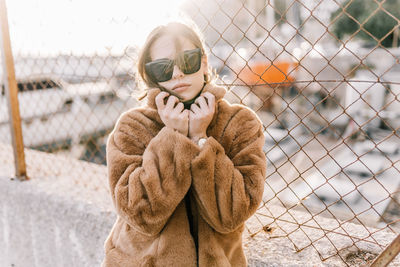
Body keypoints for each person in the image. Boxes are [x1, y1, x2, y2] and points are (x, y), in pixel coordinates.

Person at [102, 20, 267, 267]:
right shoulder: (132, 127)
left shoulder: (240, 123)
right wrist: (174, 137)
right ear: (150, 76)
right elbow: (141, 215)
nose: (178, 74)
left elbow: (231, 215)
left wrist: (201, 139)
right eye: (163, 68)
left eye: (187, 61)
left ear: (204, 63)